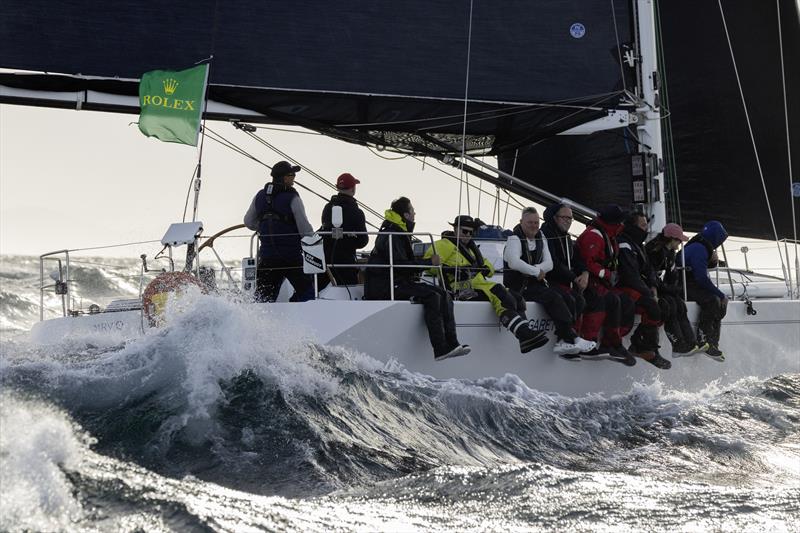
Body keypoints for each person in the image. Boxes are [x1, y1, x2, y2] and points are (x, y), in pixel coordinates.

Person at [364, 197, 470, 361]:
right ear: (406, 215)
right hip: (386, 285)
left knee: (444, 294)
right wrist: (429, 262)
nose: (415, 214)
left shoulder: (397, 231)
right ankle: (440, 348)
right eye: (412, 211)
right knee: (432, 296)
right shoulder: (393, 233)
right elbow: (400, 265)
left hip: (397, 282)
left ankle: (452, 343)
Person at [425, 215, 548, 354]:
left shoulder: (472, 249)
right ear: (455, 229)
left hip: (479, 284)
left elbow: (489, 268)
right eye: (464, 231)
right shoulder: (444, 245)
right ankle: (523, 333)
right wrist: (450, 269)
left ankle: (525, 339)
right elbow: (430, 265)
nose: (468, 235)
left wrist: (484, 268)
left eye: (471, 233)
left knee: (517, 298)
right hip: (459, 287)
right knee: (498, 292)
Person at [503, 207, 595, 355]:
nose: (533, 226)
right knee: (554, 297)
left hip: (536, 284)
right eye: (530, 223)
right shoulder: (514, 240)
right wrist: (537, 271)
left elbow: (549, 264)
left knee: (572, 298)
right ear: (521, 222)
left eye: (536, 223)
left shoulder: (541, 237)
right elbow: (514, 262)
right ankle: (572, 337)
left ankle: (563, 341)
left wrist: (536, 270)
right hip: (520, 287)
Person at [243, 160, 314, 302]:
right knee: (308, 294)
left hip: (268, 258)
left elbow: (248, 222)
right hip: (291, 257)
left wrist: (264, 227)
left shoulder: (259, 196)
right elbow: (304, 229)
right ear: (285, 177)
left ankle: (258, 323)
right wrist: (315, 241)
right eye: (292, 175)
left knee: (263, 300)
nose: (294, 178)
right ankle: (299, 315)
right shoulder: (293, 197)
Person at [575, 205, 637, 366]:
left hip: (604, 282)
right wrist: (607, 274)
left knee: (627, 300)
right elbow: (588, 262)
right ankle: (589, 342)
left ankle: (613, 343)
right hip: (592, 283)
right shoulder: (594, 236)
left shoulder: (608, 235)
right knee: (608, 300)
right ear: (613, 222)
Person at [616, 212, 671, 369]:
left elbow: (649, 270)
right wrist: (648, 293)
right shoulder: (624, 244)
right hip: (623, 286)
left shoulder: (638, 245)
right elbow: (629, 275)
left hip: (639, 286)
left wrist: (653, 286)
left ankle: (643, 345)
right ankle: (646, 348)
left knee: (664, 306)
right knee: (652, 306)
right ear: (632, 226)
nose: (646, 229)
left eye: (647, 225)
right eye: (642, 225)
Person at [646, 223, 707, 356]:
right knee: (671, 306)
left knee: (680, 305)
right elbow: (651, 274)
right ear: (672, 239)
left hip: (663, 287)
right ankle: (678, 345)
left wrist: (674, 289)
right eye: (679, 240)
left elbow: (672, 275)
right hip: (651, 288)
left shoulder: (670, 253)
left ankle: (691, 343)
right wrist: (657, 291)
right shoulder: (655, 251)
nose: (680, 244)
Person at [676, 220, 729, 361]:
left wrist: (712, 261)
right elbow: (701, 278)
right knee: (713, 300)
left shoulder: (699, 246)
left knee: (717, 301)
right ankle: (703, 339)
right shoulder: (700, 248)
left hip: (689, 284)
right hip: (682, 286)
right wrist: (720, 294)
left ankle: (712, 343)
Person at [540, 202, 590, 350]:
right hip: (549, 280)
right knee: (570, 299)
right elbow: (553, 263)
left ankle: (569, 340)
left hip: (565, 281)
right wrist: (574, 278)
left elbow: (577, 259)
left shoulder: (566, 238)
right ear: (554, 218)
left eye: (570, 218)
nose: (568, 221)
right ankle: (565, 339)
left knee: (580, 300)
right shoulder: (546, 234)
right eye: (564, 217)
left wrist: (584, 273)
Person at [319, 172, 369, 286]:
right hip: (346, 262)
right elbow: (363, 241)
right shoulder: (356, 212)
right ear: (352, 189)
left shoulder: (327, 208)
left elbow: (327, 229)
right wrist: (350, 240)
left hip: (326, 260)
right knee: (348, 291)